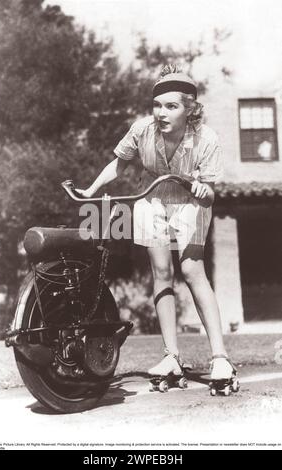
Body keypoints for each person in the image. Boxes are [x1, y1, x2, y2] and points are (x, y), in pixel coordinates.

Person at [77, 65, 236, 386]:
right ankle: (171, 357)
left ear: (189, 109)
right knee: (161, 273)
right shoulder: (142, 130)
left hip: (191, 201)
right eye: (157, 105)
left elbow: (209, 192)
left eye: (171, 106)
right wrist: (91, 190)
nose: (161, 113)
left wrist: (204, 189)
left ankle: (221, 359)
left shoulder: (206, 139)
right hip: (152, 199)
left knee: (192, 271)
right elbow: (119, 163)